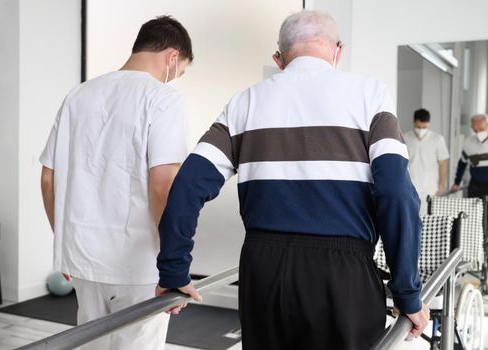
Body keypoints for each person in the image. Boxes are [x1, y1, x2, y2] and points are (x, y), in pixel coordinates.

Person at [155, 10, 429, 350]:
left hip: (262, 269)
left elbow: (187, 187)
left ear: (279, 58)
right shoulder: (370, 96)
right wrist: (408, 293)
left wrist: (173, 271)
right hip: (341, 273)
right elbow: (397, 194)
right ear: (337, 51)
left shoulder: (244, 102)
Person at [40, 16, 193, 350]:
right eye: (179, 71)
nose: (175, 80)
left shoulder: (78, 95)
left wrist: (65, 244)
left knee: (90, 344)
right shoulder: (163, 98)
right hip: (137, 263)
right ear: (171, 57)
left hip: (83, 256)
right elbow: (162, 184)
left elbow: (48, 177)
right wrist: (174, 264)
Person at [403, 108, 449, 214]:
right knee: (411, 215)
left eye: (424, 127)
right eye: (419, 127)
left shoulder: (437, 139)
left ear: (429, 123)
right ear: (414, 122)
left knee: (429, 218)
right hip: (411, 184)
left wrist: (441, 185)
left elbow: (442, 163)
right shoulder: (405, 138)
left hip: (431, 186)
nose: (421, 130)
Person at [452, 114, 488, 198]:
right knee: (473, 210)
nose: (479, 133)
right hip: (475, 185)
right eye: (476, 130)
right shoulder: (468, 142)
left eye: (482, 129)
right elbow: (462, 163)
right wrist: (457, 182)